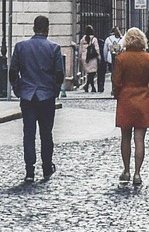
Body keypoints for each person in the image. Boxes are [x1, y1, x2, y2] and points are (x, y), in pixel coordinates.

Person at [9, 15, 65, 183]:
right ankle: (47, 167)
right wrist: (54, 91)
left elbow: (13, 72)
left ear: (34, 28)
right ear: (47, 29)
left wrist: (18, 89)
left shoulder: (20, 47)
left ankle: (29, 171)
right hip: (46, 96)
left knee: (29, 133)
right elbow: (59, 74)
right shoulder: (54, 48)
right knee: (46, 133)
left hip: (27, 96)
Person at [111, 27, 149, 187]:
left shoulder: (121, 59)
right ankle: (137, 173)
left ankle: (126, 170)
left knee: (125, 137)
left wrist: (117, 94)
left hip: (125, 99)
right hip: (143, 98)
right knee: (139, 139)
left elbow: (116, 81)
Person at [77, 28, 100, 93]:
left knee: (89, 73)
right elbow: (97, 48)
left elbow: (80, 50)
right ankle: (91, 87)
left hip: (85, 58)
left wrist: (79, 57)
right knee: (92, 73)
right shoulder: (94, 39)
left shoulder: (82, 40)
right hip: (92, 58)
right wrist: (99, 56)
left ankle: (87, 86)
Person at [101, 27, 121, 94]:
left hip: (110, 58)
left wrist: (105, 59)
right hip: (120, 58)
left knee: (113, 72)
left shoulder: (108, 39)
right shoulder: (122, 38)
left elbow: (105, 50)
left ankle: (113, 87)